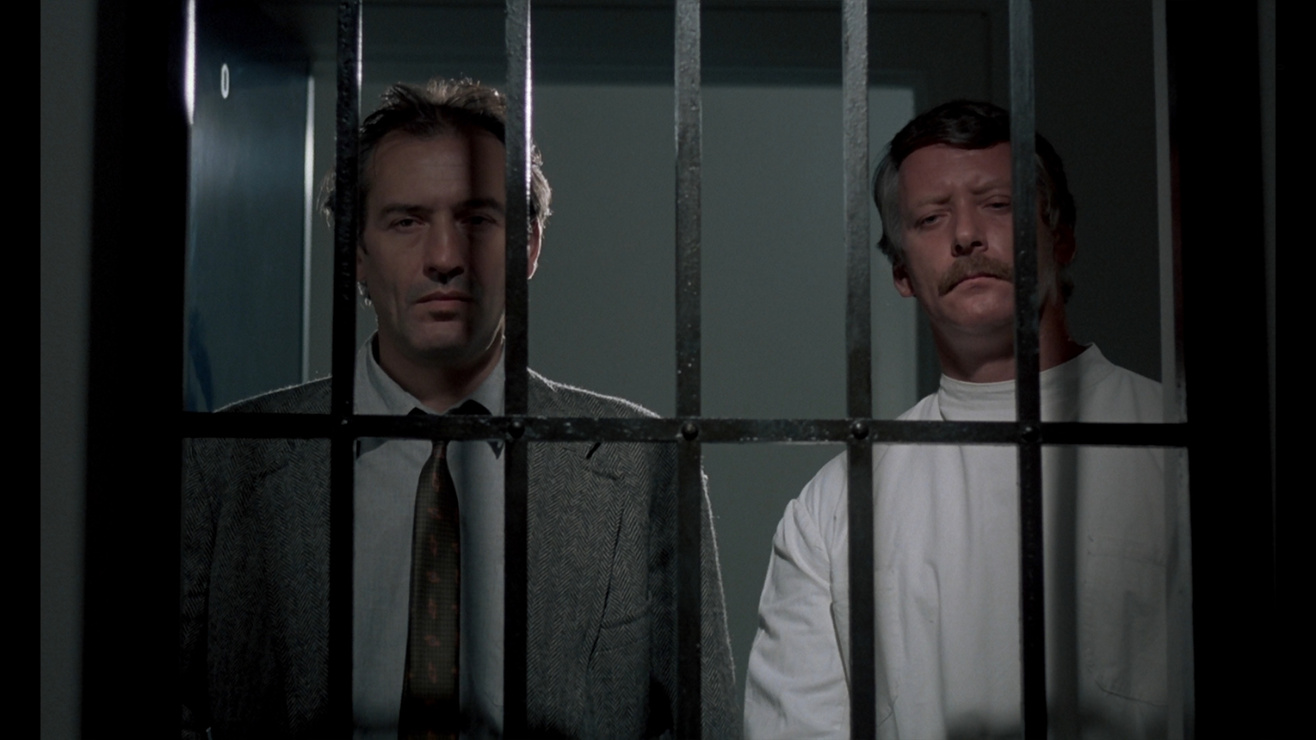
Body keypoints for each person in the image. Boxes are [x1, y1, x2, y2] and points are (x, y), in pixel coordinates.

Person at [181, 78, 738, 738]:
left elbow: (708, 726)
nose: (445, 258)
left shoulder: (644, 466)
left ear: (529, 246)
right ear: (355, 251)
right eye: (407, 221)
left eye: (477, 220)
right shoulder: (222, 462)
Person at [744, 100, 1169, 738]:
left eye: (998, 204)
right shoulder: (833, 507)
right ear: (901, 272)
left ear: (1061, 237)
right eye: (931, 217)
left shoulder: (1173, 440)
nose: (966, 235)